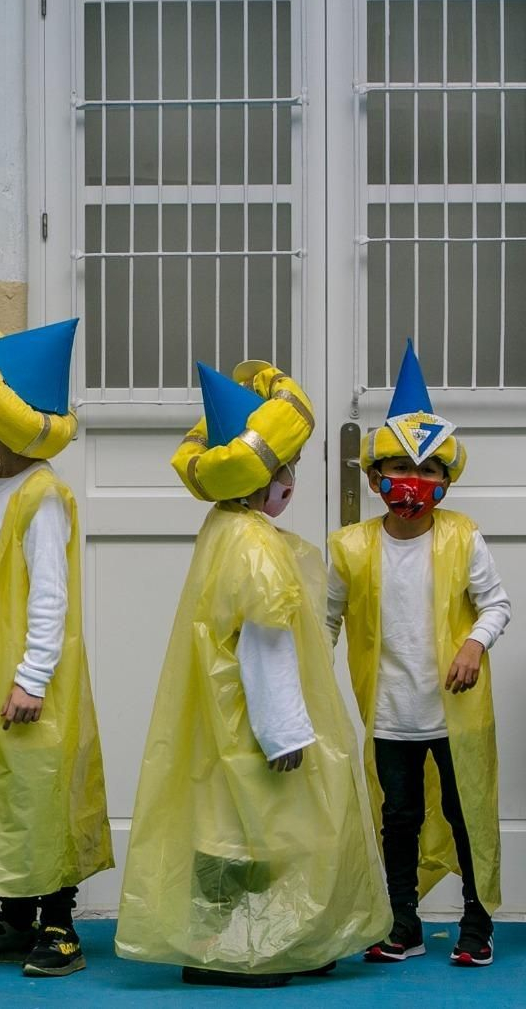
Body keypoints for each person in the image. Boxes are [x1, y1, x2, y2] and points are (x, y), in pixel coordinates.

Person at [116, 361, 390, 987]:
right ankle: (240, 949)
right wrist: (284, 731)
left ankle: (254, 939)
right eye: (283, 470)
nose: (291, 481)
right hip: (255, 720)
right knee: (257, 830)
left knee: (226, 821)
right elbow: (265, 645)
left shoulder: (225, 529)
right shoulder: (258, 547)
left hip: (224, 715)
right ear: (261, 482)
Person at [327, 341, 510, 967]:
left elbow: (498, 605)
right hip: (389, 713)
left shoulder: (464, 536)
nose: (414, 482)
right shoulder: (349, 547)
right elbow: (323, 623)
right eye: (401, 467)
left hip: (454, 711)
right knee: (397, 817)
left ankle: (477, 920)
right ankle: (400, 919)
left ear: (446, 481)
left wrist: (472, 643)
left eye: (430, 471)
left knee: (467, 815)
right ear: (376, 478)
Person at [0, 319, 111, 979]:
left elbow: (50, 599)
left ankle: (59, 922)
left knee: (39, 794)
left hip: (25, 677)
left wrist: (32, 676)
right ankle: (15, 915)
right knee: (5, 792)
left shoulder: (43, 497)